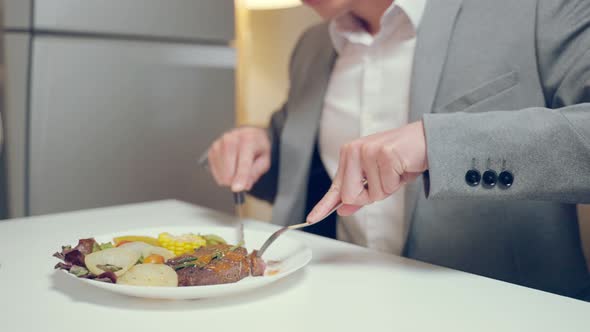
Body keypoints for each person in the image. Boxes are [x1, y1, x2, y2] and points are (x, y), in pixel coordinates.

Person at [206, 0, 590, 300]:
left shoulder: (540, 8)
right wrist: (257, 144)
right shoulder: (311, 45)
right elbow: (301, 173)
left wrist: (439, 144)